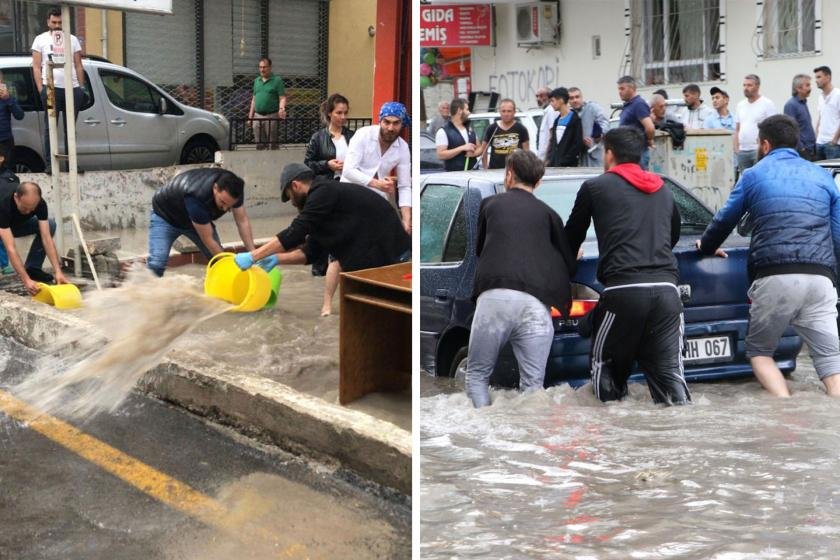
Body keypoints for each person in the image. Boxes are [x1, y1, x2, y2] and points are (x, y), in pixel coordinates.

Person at [696, 114, 840, 397]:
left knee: (760, 353)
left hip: (775, 275)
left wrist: (708, 246)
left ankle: (784, 410)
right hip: (821, 279)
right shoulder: (823, 176)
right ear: (796, 142)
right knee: (831, 362)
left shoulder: (753, 175)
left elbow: (724, 221)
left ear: (764, 145)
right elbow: (837, 235)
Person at [564, 127, 691, 405]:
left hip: (623, 293)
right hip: (667, 293)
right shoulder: (663, 189)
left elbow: (571, 238)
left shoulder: (594, 188)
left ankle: (614, 431)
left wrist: (567, 267)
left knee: (606, 372)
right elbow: (672, 236)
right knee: (670, 379)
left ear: (609, 154)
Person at [465, 149, 576, 407]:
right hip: (536, 305)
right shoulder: (550, 215)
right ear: (539, 182)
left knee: (477, 376)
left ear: (509, 174)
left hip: (495, 298)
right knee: (533, 388)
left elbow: (480, 249)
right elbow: (568, 263)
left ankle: (481, 428)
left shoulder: (490, 205)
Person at [231, 163, 410, 288]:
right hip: (373, 260)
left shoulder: (323, 192)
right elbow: (311, 252)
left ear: (295, 185)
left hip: (392, 257)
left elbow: (295, 232)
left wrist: (253, 256)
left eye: (289, 196)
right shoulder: (321, 209)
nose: (292, 202)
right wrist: (277, 259)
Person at [147, 168, 256, 277]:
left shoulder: (235, 190)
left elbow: (242, 222)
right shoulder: (197, 198)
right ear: (215, 188)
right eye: (222, 202)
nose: (225, 209)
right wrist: (228, 267)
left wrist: (254, 256)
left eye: (230, 206)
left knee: (216, 260)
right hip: (165, 216)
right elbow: (208, 240)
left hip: (196, 220)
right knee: (157, 265)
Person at [303, 93, 355, 314]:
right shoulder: (318, 138)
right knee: (319, 233)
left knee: (342, 235)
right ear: (329, 114)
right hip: (325, 192)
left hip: (347, 191)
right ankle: (318, 276)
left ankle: (337, 275)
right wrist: (327, 165)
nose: (343, 117)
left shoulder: (352, 137)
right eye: (338, 113)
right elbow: (307, 164)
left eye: (345, 113)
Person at [341, 101, 411, 234]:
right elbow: (348, 170)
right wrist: (377, 184)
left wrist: (406, 220)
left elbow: (405, 186)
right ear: (380, 121)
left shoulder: (403, 147)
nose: (390, 128)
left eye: (396, 123)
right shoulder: (363, 134)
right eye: (387, 122)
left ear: (402, 124)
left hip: (376, 199)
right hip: (350, 194)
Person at [31, 7, 85, 173]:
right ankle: (51, 164)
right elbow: (36, 66)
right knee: (51, 127)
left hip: (72, 88)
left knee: (70, 128)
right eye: (54, 22)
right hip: (50, 89)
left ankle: (72, 164)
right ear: (48, 22)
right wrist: (41, 89)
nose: (57, 25)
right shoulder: (40, 39)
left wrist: (81, 88)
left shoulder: (72, 39)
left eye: (60, 22)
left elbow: (78, 64)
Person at [0, 181, 68, 295]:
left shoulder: (40, 203)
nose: (28, 212)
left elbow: (46, 238)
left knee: (50, 224)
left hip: (15, 225)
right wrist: (26, 280)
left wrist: (58, 271)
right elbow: (10, 248)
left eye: (32, 209)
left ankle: (33, 268)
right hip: (3, 225)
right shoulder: (4, 204)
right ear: (16, 197)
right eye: (25, 207)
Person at [734, 74, 776, 173]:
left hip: (759, 150)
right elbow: (737, 129)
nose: (746, 88)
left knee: (760, 176)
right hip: (742, 151)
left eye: (749, 85)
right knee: (745, 178)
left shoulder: (767, 104)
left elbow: (773, 128)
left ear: (757, 86)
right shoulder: (740, 105)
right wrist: (736, 148)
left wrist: (765, 148)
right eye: (744, 85)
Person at [617, 76, 655, 170]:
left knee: (639, 178)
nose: (620, 92)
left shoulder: (638, 104)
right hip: (630, 152)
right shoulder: (629, 105)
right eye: (619, 89)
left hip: (638, 153)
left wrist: (649, 139)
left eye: (622, 89)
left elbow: (650, 127)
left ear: (632, 88)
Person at [479, 98, 529, 169]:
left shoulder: (521, 129)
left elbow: (526, 152)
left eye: (509, 111)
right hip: (495, 170)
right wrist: (485, 168)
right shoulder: (492, 128)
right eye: (503, 111)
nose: (506, 114)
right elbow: (484, 150)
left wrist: (525, 168)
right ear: (499, 112)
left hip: (516, 170)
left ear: (514, 112)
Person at [248, 57, 286, 150]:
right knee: (259, 144)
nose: (262, 69)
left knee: (272, 144)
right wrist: (250, 117)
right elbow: (254, 99)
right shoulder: (257, 81)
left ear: (270, 67)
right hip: (257, 116)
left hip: (271, 116)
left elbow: (282, 98)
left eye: (264, 67)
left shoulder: (277, 80)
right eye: (260, 67)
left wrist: (281, 109)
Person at [435, 98, 479, 172]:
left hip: (473, 174)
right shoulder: (443, 131)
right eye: (467, 109)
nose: (469, 112)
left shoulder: (469, 128)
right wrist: (462, 148)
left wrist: (474, 154)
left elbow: (479, 147)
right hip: (454, 176)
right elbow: (440, 155)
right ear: (459, 110)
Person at [568, 87, 609, 167]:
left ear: (582, 97)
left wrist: (598, 136)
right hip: (579, 156)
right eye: (571, 98)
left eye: (577, 97)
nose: (575, 100)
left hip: (596, 154)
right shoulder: (570, 113)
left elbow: (605, 122)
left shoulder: (592, 107)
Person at [545, 87, 584, 167]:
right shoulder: (557, 120)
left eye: (552, 101)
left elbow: (577, 144)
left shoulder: (575, 119)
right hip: (554, 165)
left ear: (561, 100)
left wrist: (565, 160)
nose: (551, 104)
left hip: (568, 166)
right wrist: (550, 159)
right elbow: (553, 143)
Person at [783, 74, 817, 160]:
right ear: (798, 88)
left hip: (810, 148)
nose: (810, 88)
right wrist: (801, 148)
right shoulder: (791, 105)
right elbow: (791, 130)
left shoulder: (803, 103)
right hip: (802, 151)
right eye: (807, 85)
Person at [814, 65, 840, 161]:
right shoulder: (820, 97)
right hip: (819, 143)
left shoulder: (838, 95)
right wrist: (817, 137)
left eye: (819, 77)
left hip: (833, 145)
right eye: (816, 77)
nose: (816, 80)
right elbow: (820, 117)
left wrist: (834, 140)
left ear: (828, 77)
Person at [0, 70, 24, 170]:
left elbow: (20, 115)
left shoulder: (8, 97)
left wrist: (8, 99)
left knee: (5, 171)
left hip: (5, 141)